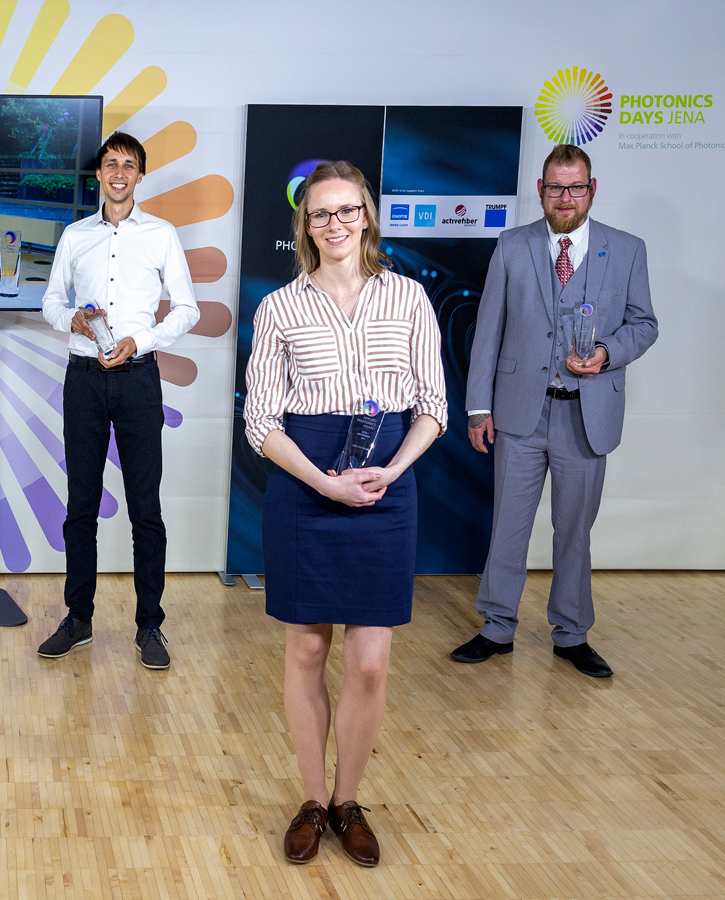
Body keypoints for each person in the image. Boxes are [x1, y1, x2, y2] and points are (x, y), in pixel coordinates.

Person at [242, 161, 446, 867]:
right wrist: (323, 485)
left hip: (386, 485)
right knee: (305, 648)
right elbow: (262, 422)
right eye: (321, 214)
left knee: (369, 661)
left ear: (367, 216)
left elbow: (432, 408)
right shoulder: (279, 309)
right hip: (306, 485)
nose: (335, 225)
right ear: (306, 225)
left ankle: (347, 800)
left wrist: (391, 469)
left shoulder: (411, 300)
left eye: (347, 211)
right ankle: (308, 798)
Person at [451, 144, 658, 679]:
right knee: (509, 527)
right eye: (555, 187)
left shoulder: (627, 249)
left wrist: (608, 352)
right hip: (520, 414)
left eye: (575, 187)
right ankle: (497, 626)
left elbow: (644, 324)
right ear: (540, 190)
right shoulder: (512, 245)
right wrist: (479, 408)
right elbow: (488, 332)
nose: (565, 198)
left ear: (592, 189)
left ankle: (571, 633)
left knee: (574, 531)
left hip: (587, 418)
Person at [36, 132, 199, 670]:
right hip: (82, 378)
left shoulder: (161, 235)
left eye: (129, 165)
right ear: (99, 175)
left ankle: (150, 625)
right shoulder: (75, 235)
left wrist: (142, 339)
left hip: (137, 380)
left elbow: (187, 309)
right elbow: (51, 302)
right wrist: (72, 321)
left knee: (144, 508)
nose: (120, 173)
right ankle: (78, 619)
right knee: (80, 505)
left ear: (140, 175)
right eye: (111, 164)